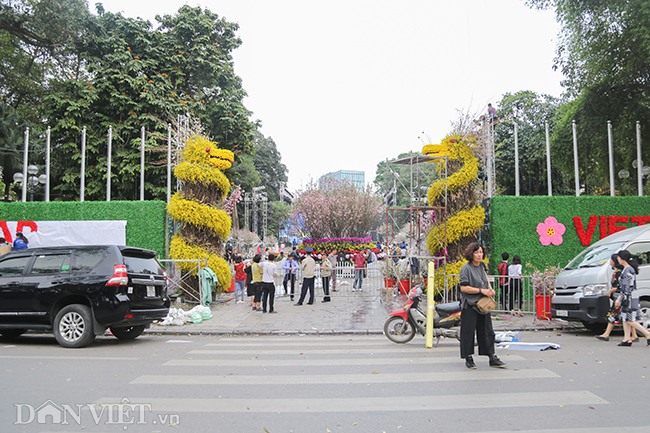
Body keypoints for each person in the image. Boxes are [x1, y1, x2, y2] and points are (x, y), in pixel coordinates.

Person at [459, 242, 507, 369]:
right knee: (468, 332)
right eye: (476, 252)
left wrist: (489, 291)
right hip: (470, 305)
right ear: (471, 254)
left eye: (481, 252)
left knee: (487, 331)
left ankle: (492, 357)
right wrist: (481, 290)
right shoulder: (466, 268)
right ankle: (468, 358)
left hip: (484, 304)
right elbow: (464, 288)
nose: (479, 255)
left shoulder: (483, 266)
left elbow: (484, 283)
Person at [596, 254, 638, 342]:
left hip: (620, 297)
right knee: (626, 318)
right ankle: (633, 335)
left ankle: (606, 334)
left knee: (614, 314)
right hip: (618, 297)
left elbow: (622, 286)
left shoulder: (620, 272)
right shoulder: (619, 272)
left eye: (611, 260)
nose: (610, 261)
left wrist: (612, 291)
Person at [614, 250, 650, 346]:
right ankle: (626, 339)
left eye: (618, 257)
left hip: (629, 297)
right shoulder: (628, 269)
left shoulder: (628, 270)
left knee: (630, 319)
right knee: (626, 318)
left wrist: (620, 298)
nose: (617, 259)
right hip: (630, 296)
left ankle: (648, 334)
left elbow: (627, 286)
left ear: (622, 259)